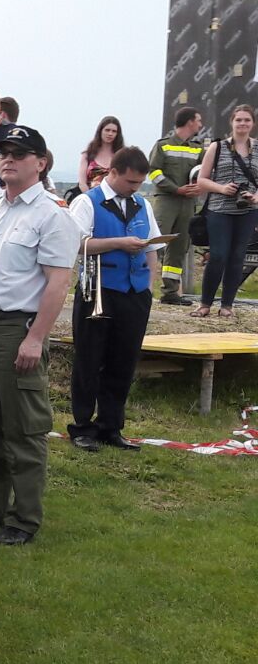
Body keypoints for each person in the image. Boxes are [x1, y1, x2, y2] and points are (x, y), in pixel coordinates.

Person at [0, 125, 83, 546]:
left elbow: (57, 283)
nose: (8, 160)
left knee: (23, 428)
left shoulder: (53, 215)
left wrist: (35, 338)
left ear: (41, 163)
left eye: (19, 153)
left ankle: (24, 517)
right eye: (4, 153)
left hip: (16, 328)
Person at [67, 147, 160, 451]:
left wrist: (149, 285)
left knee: (123, 361)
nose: (136, 188)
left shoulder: (142, 204)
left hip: (134, 293)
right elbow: (75, 244)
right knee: (89, 360)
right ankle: (82, 426)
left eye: (140, 183)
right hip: (99, 289)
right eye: (131, 182)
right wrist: (119, 243)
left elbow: (152, 247)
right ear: (114, 172)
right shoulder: (87, 202)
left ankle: (111, 426)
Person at [192, 104, 258, 318]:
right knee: (218, 255)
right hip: (220, 209)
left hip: (248, 210)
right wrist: (222, 188)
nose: (242, 123)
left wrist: (255, 196)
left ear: (253, 123)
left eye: (247, 120)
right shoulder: (217, 147)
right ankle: (205, 304)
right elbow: (201, 179)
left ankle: (227, 305)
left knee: (237, 257)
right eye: (239, 120)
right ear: (232, 122)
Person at [147, 106, 205, 305]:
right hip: (166, 201)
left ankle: (170, 292)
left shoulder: (198, 148)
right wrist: (176, 189)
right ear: (190, 122)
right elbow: (154, 172)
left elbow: (205, 173)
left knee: (179, 247)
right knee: (155, 242)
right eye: (198, 120)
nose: (200, 125)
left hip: (188, 203)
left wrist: (198, 188)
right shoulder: (163, 145)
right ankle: (142, 288)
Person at [79, 115, 124, 186]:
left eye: (114, 131)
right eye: (107, 130)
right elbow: (82, 183)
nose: (110, 134)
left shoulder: (122, 156)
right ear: (100, 131)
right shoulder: (87, 155)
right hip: (90, 192)